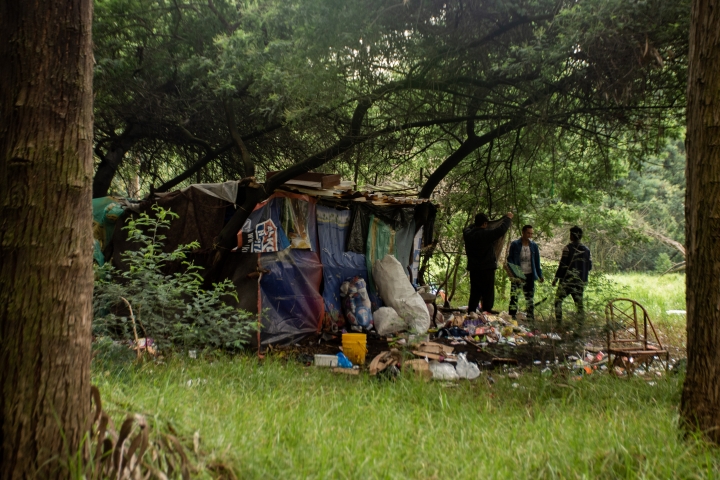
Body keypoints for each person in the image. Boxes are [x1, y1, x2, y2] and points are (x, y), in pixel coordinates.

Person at [463, 211, 513, 314]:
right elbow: (500, 230)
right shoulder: (486, 234)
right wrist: (508, 219)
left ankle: (472, 311)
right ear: (485, 224)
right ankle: (486, 311)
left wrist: (476, 224)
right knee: (487, 292)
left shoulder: (468, 234)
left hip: (474, 268)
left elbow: (467, 228)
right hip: (487, 268)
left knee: (475, 292)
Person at [552, 225, 592, 330]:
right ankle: (580, 326)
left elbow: (563, 265)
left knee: (558, 301)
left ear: (572, 236)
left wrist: (556, 278)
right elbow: (589, 266)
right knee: (579, 304)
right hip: (580, 282)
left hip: (567, 281)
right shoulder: (587, 250)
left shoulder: (568, 248)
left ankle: (559, 323)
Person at [506, 225, 544, 321]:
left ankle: (530, 317)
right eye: (528, 233)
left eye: (531, 233)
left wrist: (540, 275)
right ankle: (512, 316)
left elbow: (536, 261)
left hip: (530, 274)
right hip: (518, 275)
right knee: (514, 295)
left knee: (530, 296)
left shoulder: (534, 246)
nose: (530, 235)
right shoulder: (515, 244)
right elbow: (510, 258)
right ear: (523, 232)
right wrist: (515, 271)